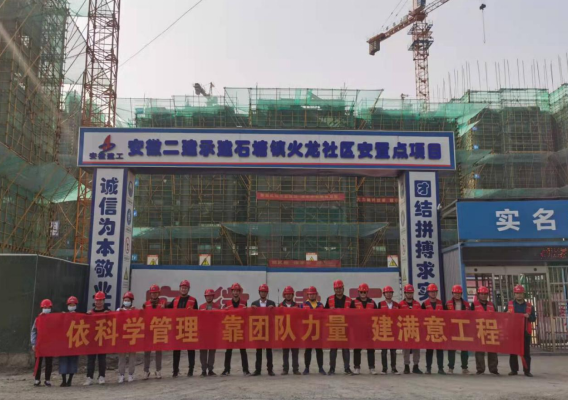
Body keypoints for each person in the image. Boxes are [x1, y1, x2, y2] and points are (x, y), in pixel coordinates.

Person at [167, 280, 198, 377]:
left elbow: (198, 314)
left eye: (185, 288)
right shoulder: (175, 300)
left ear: (188, 289)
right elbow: (167, 310)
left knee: (191, 349)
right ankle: (175, 371)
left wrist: (192, 311)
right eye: (182, 288)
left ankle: (191, 370)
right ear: (180, 289)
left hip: (189, 327)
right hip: (178, 328)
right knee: (176, 350)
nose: (184, 289)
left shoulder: (193, 300)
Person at [222, 282, 251, 376]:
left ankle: (245, 370)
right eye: (234, 291)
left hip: (240, 330)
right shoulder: (227, 304)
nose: (235, 292)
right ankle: (226, 369)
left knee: (243, 350)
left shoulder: (244, 303)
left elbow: (246, 316)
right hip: (230, 329)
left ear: (239, 292)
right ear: (232, 292)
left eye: (237, 291)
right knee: (228, 351)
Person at [325, 279, 353, 376]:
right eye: (336, 288)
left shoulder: (349, 300)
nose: (338, 290)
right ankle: (332, 368)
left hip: (345, 328)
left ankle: (347, 368)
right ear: (334, 289)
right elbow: (325, 313)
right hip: (334, 328)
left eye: (340, 288)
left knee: (346, 349)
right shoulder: (329, 299)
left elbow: (354, 314)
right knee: (333, 349)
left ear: (343, 288)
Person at [507, 284, 536, 377]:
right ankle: (514, 370)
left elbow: (533, 318)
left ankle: (527, 371)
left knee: (526, 352)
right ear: (514, 294)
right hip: (513, 332)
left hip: (525, 332)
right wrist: (507, 314)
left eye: (520, 293)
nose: (519, 295)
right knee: (513, 352)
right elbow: (504, 317)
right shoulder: (510, 305)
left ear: (523, 294)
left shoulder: (529, 306)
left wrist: (529, 316)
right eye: (517, 293)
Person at [471, 286, 499, 375]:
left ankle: (493, 369)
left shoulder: (491, 305)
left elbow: (497, 317)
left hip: (490, 330)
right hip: (479, 330)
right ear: (478, 295)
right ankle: (480, 369)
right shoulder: (474, 305)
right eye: (481, 294)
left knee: (492, 350)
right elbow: (470, 317)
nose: (483, 296)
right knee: (479, 351)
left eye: (485, 294)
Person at [351, 283, 377, 375]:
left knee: (371, 349)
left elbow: (377, 315)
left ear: (367, 292)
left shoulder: (372, 302)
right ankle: (357, 367)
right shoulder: (354, 302)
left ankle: (372, 367)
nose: (363, 293)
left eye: (364, 292)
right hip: (358, 330)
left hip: (369, 329)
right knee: (357, 349)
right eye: (361, 292)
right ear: (358, 292)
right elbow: (350, 316)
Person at [84, 291, 110, 385]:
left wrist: (108, 316)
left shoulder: (108, 312)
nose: (98, 302)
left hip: (102, 339)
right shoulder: (90, 313)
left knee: (102, 359)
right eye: (97, 300)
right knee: (91, 359)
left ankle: (102, 376)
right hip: (92, 339)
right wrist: (87, 316)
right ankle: (89, 377)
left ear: (104, 301)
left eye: (100, 300)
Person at [143, 284, 167, 380]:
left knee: (158, 352)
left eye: (156, 293)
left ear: (159, 293)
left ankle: (158, 370)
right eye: (152, 293)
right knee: (147, 352)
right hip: (148, 331)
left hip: (159, 329)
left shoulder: (163, 303)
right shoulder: (146, 304)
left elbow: (167, 315)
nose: (154, 294)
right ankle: (146, 371)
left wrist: (164, 309)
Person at [251, 284, 276, 376]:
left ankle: (270, 370)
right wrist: (252, 309)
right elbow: (250, 317)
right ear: (259, 292)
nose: (263, 293)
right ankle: (258, 370)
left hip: (268, 330)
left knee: (269, 351)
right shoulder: (254, 304)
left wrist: (273, 309)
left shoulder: (272, 303)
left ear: (267, 293)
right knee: (258, 351)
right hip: (258, 330)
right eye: (262, 291)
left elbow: (275, 316)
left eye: (265, 292)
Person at [446, 285, 470, 375]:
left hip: (463, 329)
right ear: (452, 293)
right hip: (452, 329)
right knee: (451, 349)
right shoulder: (448, 304)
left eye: (459, 293)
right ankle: (450, 368)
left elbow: (470, 316)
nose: (457, 295)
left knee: (464, 349)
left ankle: (464, 368)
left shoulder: (466, 304)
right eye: (455, 293)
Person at [421, 283, 446, 375]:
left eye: (435, 291)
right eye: (431, 292)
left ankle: (440, 368)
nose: (433, 293)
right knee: (429, 350)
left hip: (439, 330)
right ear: (428, 293)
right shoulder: (424, 304)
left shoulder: (441, 303)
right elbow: (421, 317)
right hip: (429, 330)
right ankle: (428, 369)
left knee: (440, 350)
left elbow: (446, 316)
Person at [399, 284, 423, 374]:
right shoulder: (401, 304)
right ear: (405, 293)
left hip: (415, 329)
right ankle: (406, 366)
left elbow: (421, 316)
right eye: (408, 293)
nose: (409, 294)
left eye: (411, 293)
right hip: (405, 329)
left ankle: (416, 366)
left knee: (416, 348)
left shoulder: (417, 304)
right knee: (406, 349)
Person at [302, 286, 326, 376]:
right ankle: (306, 368)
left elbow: (324, 317)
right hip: (308, 331)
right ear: (307, 295)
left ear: (316, 295)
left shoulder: (321, 305)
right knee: (308, 350)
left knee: (319, 350)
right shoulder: (303, 305)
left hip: (318, 330)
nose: (312, 296)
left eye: (313, 294)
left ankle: (321, 368)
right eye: (310, 294)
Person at [279, 286, 302, 375]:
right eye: (286, 294)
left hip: (294, 332)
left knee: (295, 351)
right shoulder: (280, 305)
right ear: (284, 295)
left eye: (290, 294)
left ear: (293, 295)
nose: (288, 295)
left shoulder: (297, 306)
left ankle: (295, 369)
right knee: (285, 352)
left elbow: (300, 318)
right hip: (285, 332)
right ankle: (285, 369)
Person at [31, 299, 53, 387]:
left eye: (48, 307)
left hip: (50, 345)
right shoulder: (38, 319)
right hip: (39, 344)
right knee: (38, 362)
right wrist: (33, 343)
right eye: (45, 307)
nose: (47, 309)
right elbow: (34, 331)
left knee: (49, 363)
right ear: (42, 308)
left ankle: (47, 380)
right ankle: (37, 379)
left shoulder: (54, 318)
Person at [378, 285, 400, 375]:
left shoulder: (397, 305)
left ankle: (393, 368)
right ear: (384, 294)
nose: (389, 294)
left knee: (393, 351)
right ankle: (384, 368)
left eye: (390, 292)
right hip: (384, 330)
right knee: (384, 351)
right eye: (387, 293)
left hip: (394, 330)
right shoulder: (380, 304)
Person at [199, 288, 220, 377]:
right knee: (203, 352)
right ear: (205, 297)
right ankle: (204, 370)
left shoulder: (217, 307)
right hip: (203, 333)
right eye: (207, 296)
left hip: (213, 333)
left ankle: (210, 369)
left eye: (210, 296)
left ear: (213, 296)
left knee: (212, 352)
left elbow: (220, 319)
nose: (209, 297)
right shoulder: (201, 307)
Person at [59, 296, 79, 387]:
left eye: (73, 305)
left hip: (75, 341)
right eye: (70, 305)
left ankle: (70, 380)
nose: (72, 306)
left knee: (73, 361)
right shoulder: (63, 316)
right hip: (64, 342)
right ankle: (63, 380)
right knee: (63, 360)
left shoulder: (79, 316)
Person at [117, 292, 137, 383]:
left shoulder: (135, 310)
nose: (126, 302)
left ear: (131, 301)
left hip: (132, 336)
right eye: (125, 300)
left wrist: (133, 312)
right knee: (122, 357)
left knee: (132, 356)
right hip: (122, 337)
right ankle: (121, 375)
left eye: (128, 300)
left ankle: (131, 374)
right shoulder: (119, 310)